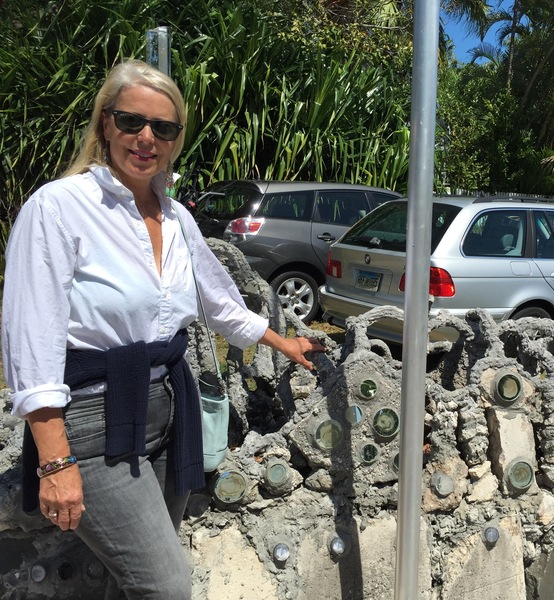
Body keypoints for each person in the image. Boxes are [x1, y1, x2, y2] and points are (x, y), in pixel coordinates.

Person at [2, 59, 324, 599]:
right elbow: (31, 341)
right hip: (93, 418)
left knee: (127, 581)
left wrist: (280, 341)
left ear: (176, 140)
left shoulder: (176, 218)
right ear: (105, 123)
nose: (147, 138)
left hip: (167, 410)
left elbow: (218, 299)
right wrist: (55, 462)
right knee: (165, 585)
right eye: (132, 121)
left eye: (164, 128)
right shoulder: (58, 208)